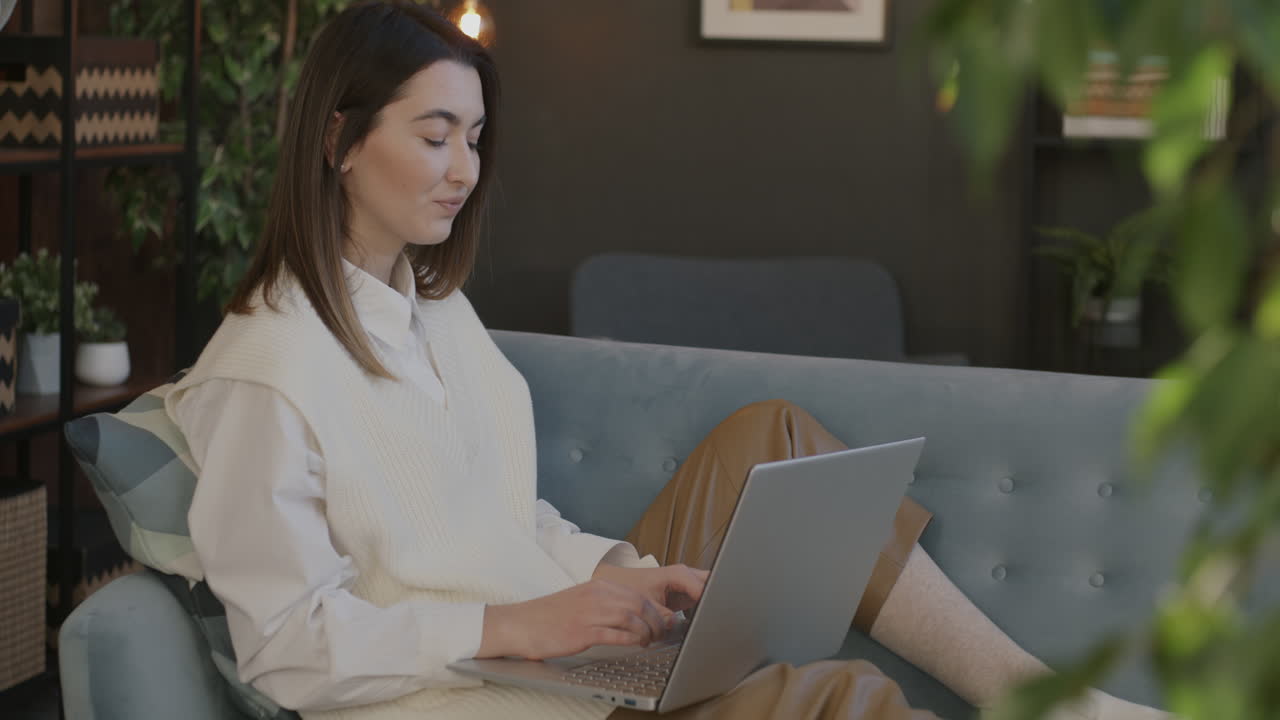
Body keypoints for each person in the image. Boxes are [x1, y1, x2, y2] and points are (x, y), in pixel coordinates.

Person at [166, 3, 1173, 719]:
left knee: (768, 437)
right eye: (435, 137)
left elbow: (505, 520)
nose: (465, 171)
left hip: (549, 648)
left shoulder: (429, 311)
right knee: (832, 700)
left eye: (474, 137)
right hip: (462, 695)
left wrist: (624, 579)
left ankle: (1030, 697)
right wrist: (525, 627)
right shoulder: (266, 372)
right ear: (340, 140)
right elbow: (286, 649)